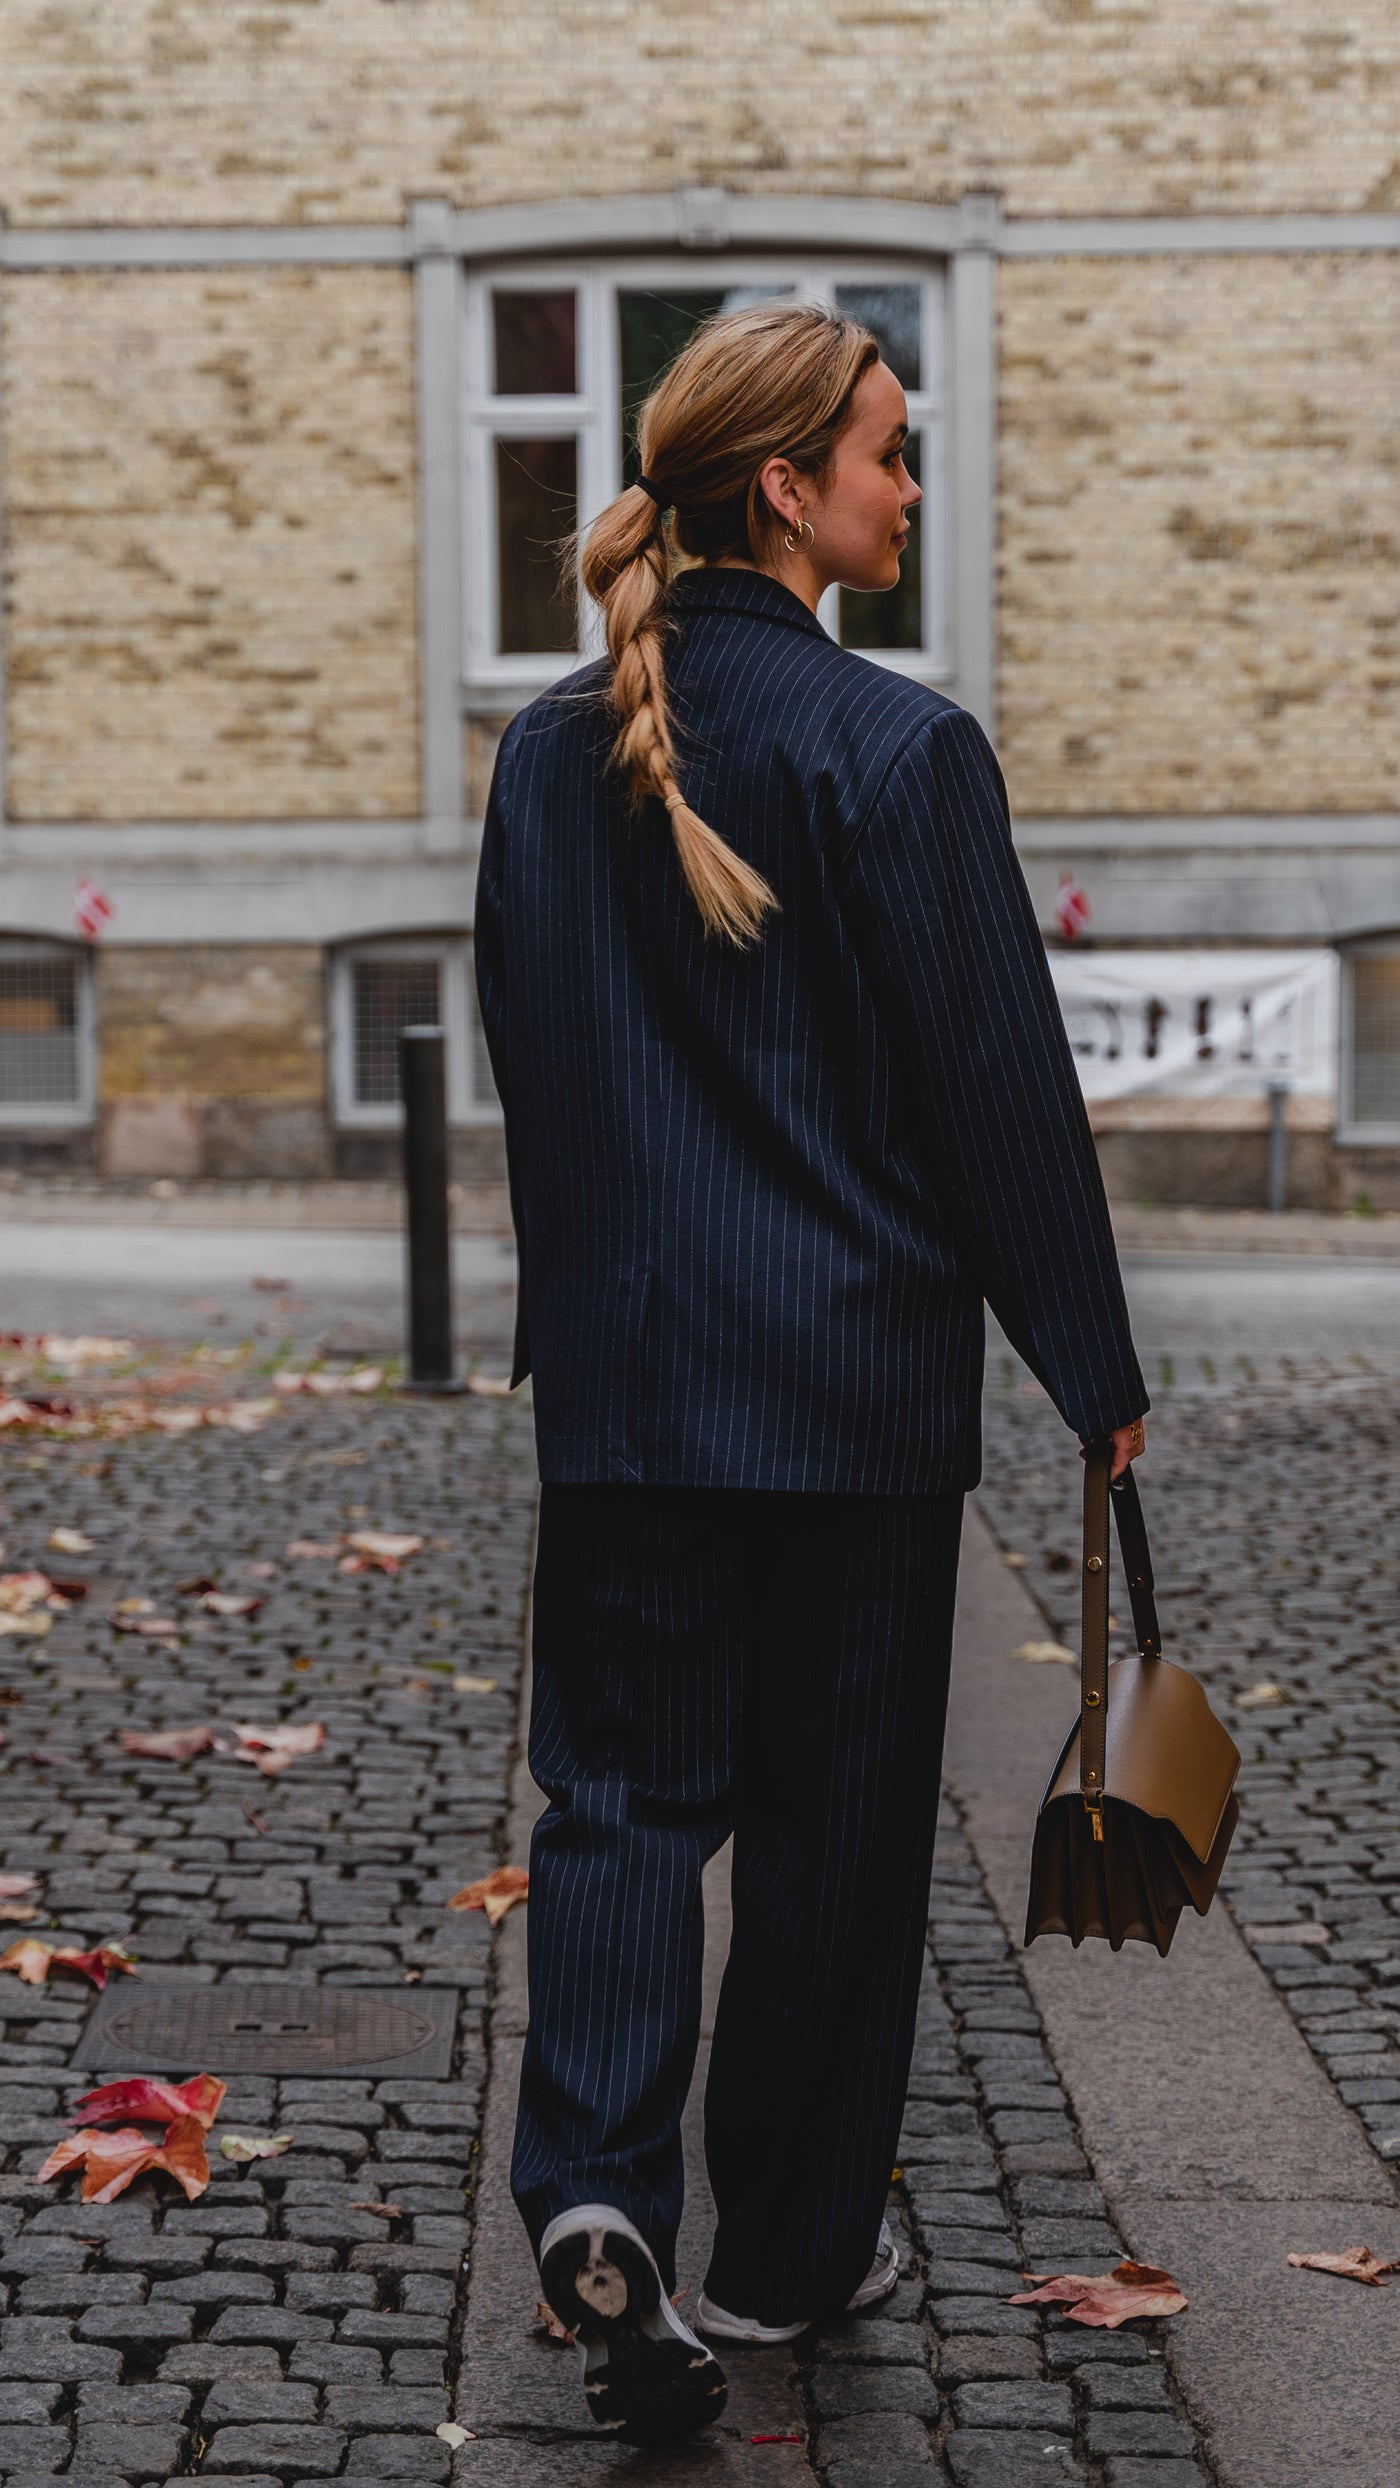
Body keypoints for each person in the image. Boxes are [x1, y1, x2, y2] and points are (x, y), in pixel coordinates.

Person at [474, 300, 1148, 2448]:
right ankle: (775, 2253)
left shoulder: (546, 748)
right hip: (849, 1399)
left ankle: (590, 2180)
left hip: (637, 1382)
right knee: (833, 1839)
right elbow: (996, 1098)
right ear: (786, 485)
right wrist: (1090, 1363)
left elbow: (535, 1064)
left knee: (618, 1801)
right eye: (886, 448)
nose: (908, 482)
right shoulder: (897, 747)